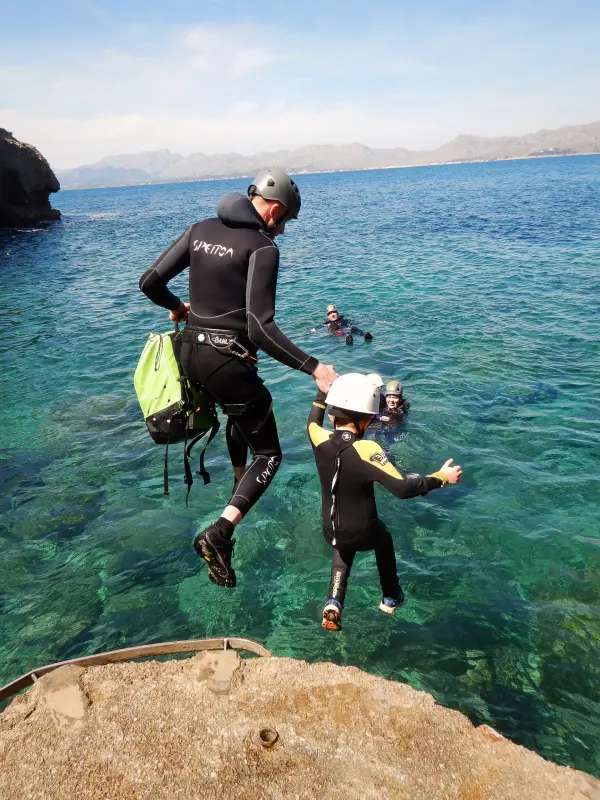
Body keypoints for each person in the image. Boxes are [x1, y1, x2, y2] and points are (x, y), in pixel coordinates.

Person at [139, 168, 338, 589]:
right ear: (276, 210)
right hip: (226, 360)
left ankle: (236, 483)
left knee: (240, 413)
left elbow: (150, 282)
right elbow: (261, 327)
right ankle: (220, 532)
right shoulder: (262, 247)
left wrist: (177, 306)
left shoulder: (199, 229)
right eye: (285, 223)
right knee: (270, 454)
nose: (282, 232)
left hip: (190, 356)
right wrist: (315, 368)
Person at [306, 372, 462, 631]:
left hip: (329, 529)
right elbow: (402, 488)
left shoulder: (318, 438)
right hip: (362, 531)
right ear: (366, 419)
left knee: (342, 546)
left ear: (334, 416)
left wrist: (322, 392)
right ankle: (391, 595)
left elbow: (313, 420)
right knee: (383, 536)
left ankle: (334, 601)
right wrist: (441, 478)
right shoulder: (368, 449)